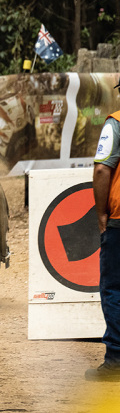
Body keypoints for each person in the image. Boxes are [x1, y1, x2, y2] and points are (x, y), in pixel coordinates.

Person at [91, 99, 120, 380]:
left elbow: (102, 169)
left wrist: (102, 214)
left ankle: (116, 360)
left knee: (114, 288)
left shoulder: (117, 122)